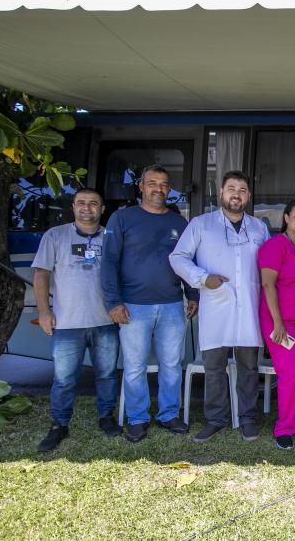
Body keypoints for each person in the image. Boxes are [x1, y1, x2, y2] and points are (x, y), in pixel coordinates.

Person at [101, 164, 198, 443]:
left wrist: (192, 294)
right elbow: (109, 262)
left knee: (172, 364)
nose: (159, 189)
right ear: (141, 186)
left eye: (164, 184)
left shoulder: (179, 223)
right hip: (133, 306)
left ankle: (169, 414)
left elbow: (187, 262)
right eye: (152, 183)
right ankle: (137, 418)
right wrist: (113, 302)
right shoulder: (122, 218)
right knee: (134, 366)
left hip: (172, 305)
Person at [170, 171, 269, 443]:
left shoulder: (259, 228)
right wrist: (203, 278)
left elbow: (269, 265)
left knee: (249, 367)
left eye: (242, 190)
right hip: (216, 307)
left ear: (248, 196)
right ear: (221, 192)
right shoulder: (201, 225)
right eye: (232, 188)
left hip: (249, 308)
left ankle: (247, 418)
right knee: (214, 368)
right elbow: (178, 257)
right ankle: (215, 419)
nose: (237, 194)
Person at [33, 189, 121, 451]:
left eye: (93, 203)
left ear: (102, 209)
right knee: (64, 379)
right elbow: (41, 274)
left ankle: (106, 417)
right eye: (81, 203)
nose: (87, 208)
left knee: (107, 375)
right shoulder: (56, 236)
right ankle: (59, 425)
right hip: (67, 324)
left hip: (105, 321)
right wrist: (44, 311)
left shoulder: (111, 237)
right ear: (73, 207)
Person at [256, 200, 295, 450]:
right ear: (286, 217)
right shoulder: (275, 245)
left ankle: (293, 420)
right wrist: (278, 322)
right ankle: (284, 429)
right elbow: (268, 284)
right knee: (290, 373)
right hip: (281, 322)